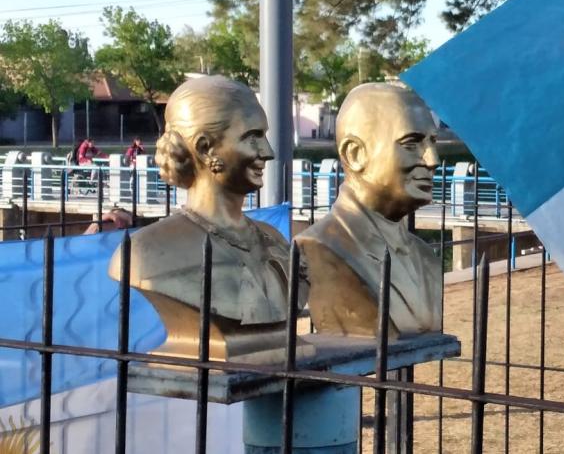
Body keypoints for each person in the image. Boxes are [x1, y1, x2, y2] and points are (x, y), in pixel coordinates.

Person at [108, 76, 307, 361]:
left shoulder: (274, 240)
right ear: (204, 148)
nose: (268, 152)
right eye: (252, 137)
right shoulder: (144, 254)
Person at [295, 82, 442, 337]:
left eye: (432, 142)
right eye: (411, 144)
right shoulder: (320, 248)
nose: (433, 160)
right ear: (355, 154)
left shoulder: (425, 257)